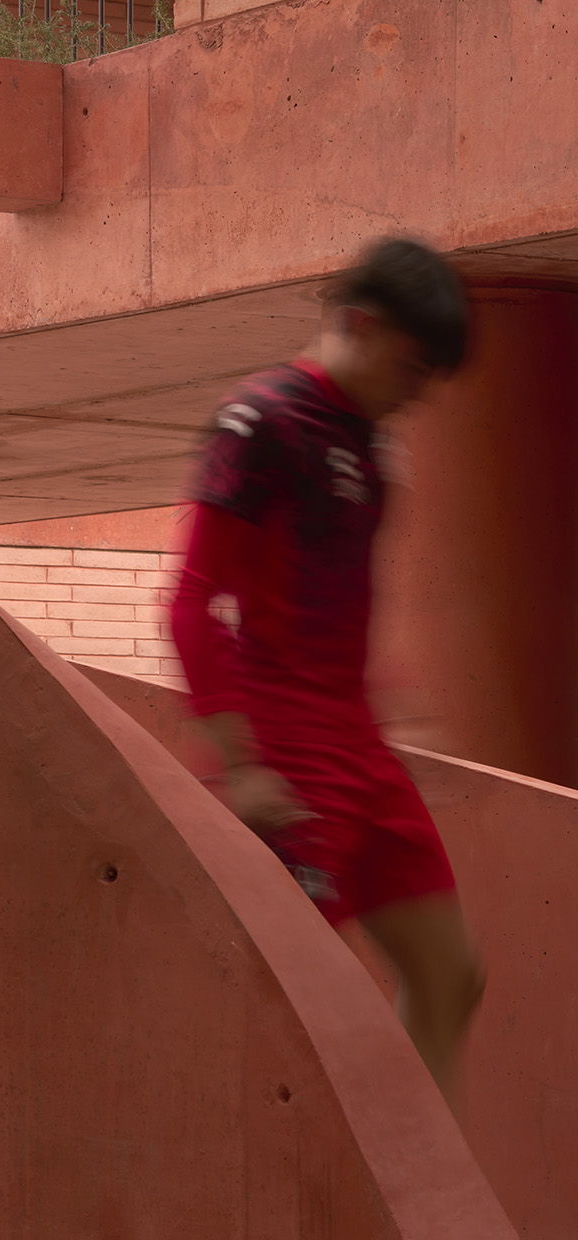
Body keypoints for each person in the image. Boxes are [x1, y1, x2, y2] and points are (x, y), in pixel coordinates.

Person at [168, 235, 484, 1096]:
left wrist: (386, 701)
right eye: (413, 367)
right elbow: (193, 599)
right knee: (312, 1022)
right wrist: (243, 769)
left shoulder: (366, 442)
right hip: (285, 754)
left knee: (454, 974)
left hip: (359, 748)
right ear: (358, 323)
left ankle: (422, 1206)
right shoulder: (261, 420)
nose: (417, 394)